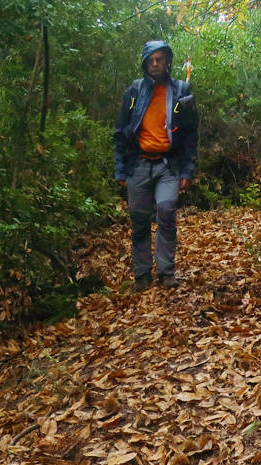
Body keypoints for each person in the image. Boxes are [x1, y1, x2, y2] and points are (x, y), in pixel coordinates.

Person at [114, 40, 198, 291]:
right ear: (144, 62)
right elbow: (120, 132)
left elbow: (191, 134)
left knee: (166, 212)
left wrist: (187, 170)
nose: (155, 63)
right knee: (139, 221)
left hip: (168, 166)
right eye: (151, 59)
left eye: (159, 59)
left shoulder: (181, 91)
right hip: (138, 165)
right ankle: (142, 275)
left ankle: (166, 272)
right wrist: (120, 169)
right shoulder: (134, 92)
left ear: (168, 61)